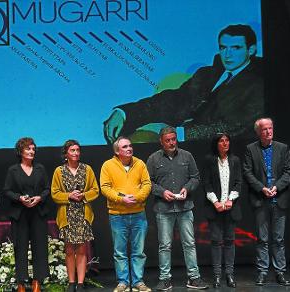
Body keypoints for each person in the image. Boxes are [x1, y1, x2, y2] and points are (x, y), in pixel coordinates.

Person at [103, 24, 263, 143]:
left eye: (235, 48)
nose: (227, 54)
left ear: (251, 50)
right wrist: (125, 113)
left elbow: (237, 126)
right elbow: (171, 100)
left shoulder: (260, 83)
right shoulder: (207, 74)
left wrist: (178, 134)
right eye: (223, 47)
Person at [145, 127, 207, 291]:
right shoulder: (153, 159)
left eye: (174, 139)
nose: (172, 142)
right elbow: (147, 183)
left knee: (189, 243)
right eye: (168, 140)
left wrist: (187, 188)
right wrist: (161, 192)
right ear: (161, 141)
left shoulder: (187, 156)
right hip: (163, 209)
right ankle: (165, 279)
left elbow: (195, 177)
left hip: (185, 207)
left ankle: (194, 278)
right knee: (165, 245)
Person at [243, 118, 290, 286]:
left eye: (270, 128)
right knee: (262, 239)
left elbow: (288, 172)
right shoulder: (251, 149)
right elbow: (247, 173)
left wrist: (276, 187)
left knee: (278, 239)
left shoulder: (283, 148)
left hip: (279, 198)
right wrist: (262, 188)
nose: (268, 131)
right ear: (258, 132)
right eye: (264, 129)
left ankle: (280, 272)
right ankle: (262, 271)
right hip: (260, 199)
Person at [100, 137, 152, 292]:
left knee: (139, 251)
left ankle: (138, 281)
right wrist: (121, 199)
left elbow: (147, 184)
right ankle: (123, 282)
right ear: (117, 151)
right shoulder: (108, 166)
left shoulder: (140, 163)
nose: (129, 148)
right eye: (125, 146)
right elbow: (105, 187)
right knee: (120, 251)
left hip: (138, 214)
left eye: (130, 145)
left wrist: (139, 197)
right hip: (118, 215)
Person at [51, 140, 100, 292]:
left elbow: (95, 190)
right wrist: (69, 196)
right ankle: (71, 282)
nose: (76, 153)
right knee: (70, 250)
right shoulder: (59, 171)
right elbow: (55, 193)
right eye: (72, 150)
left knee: (82, 250)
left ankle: (80, 283)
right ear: (66, 154)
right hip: (67, 215)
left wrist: (83, 195)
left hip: (82, 215)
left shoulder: (87, 169)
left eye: (78, 150)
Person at [3, 137, 50, 292]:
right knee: (20, 248)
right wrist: (20, 198)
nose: (31, 151)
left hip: (38, 213)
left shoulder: (40, 169)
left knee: (39, 248)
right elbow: (7, 191)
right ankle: (21, 283)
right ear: (20, 151)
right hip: (20, 214)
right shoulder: (13, 170)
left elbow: (47, 189)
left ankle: (37, 281)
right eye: (28, 149)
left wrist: (39, 198)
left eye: (33, 149)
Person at [202, 132, 242, 288]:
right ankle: (217, 276)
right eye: (221, 141)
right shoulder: (210, 161)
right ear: (216, 144)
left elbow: (238, 182)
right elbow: (206, 184)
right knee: (216, 242)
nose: (225, 143)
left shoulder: (235, 160)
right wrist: (216, 202)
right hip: (215, 208)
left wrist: (230, 199)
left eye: (227, 140)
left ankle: (229, 275)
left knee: (230, 241)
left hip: (230, 208)